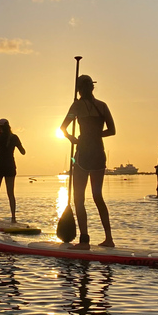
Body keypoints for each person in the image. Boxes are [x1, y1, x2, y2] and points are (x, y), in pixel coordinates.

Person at [60, 74, 116, 247]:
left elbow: (62, 128)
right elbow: (112, 130)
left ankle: (84, 240)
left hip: (84, 154)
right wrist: (95, 134)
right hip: (99, 153)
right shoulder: (102, 106)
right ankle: (109, 239)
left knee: (79, 198)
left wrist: (72, 138)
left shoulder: (76, 105)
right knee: (98, 196)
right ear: (92, 88)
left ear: (79, 89)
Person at [0, 118, 26, 223]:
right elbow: (23, 152)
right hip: (10, 167)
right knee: (11, 193)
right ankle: (13, 218)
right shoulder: (14, 138)